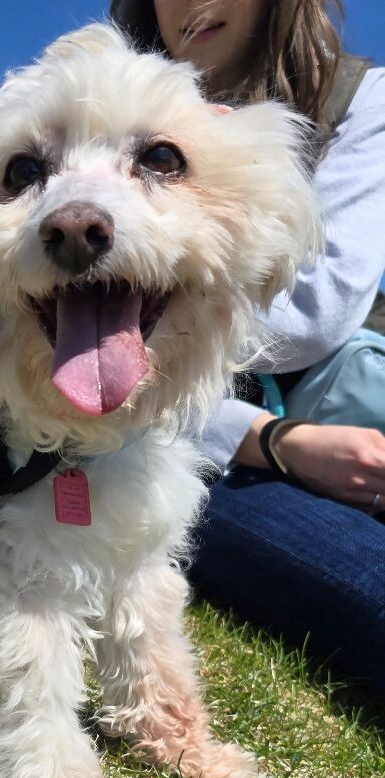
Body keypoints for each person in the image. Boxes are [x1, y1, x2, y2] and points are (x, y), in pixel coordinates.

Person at [110, 0, 385, 693]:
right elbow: (94, 375)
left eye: (163, 161)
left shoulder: (360, 99)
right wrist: (268, 440)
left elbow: (317, 310)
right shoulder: (103, 99)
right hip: (172, 442)